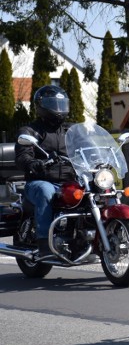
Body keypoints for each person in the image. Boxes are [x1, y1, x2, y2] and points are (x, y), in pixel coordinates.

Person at [15, 85, 76, 259]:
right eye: (53, 104)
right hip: (40, 181)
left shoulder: (71, 131)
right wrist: (34, 164)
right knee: (46, 191)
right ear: (41, 106)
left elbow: (87, 148)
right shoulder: (30, 131)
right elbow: (22, 157)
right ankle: (44, 243)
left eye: (61, 104)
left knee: (95, 190)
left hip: (68, 180)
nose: (58, 108)